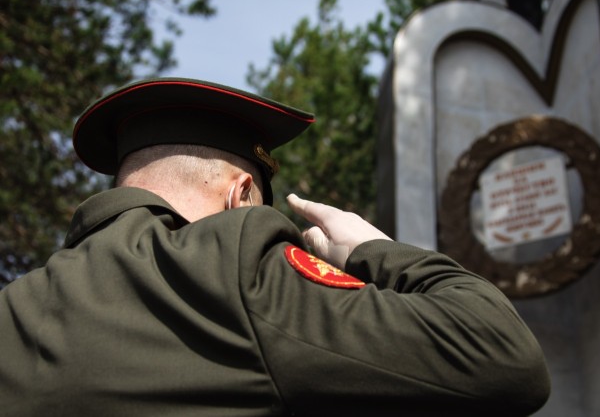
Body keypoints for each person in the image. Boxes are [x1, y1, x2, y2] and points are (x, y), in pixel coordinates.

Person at [0, 78, 550, 416]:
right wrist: (372, 249)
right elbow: (503, 355)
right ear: (241, 196)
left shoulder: (13, 311)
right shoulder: (232, 262)